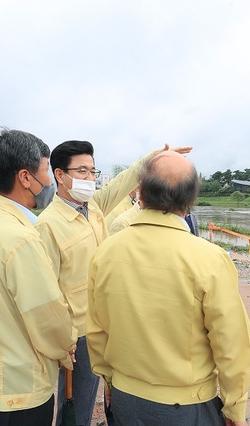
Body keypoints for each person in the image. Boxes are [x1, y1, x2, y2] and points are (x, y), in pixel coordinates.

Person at [87, 151, 250, 426]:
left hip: (125, 398)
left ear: (140, 193)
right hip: (186, 405)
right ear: (190, 200)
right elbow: (231, 344)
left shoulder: (105, 252)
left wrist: (108, 379)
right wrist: (236, 407)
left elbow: (96, 330)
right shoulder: (210, 259)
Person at [35, 140, 192, 426]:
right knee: (76, 402)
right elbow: (46, 288)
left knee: (110, 391)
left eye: (93, 171)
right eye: (81, 171)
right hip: (77, 332)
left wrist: (154, 157)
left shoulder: (93, 207)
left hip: (106, 320)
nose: (89, 178)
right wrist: (64, 335)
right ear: (60, 175)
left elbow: (124, 180)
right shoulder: (47, 224)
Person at [0, 127, 78, 426]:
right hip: (16, 394)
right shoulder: (20, 239)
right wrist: (67, 344)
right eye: (46, 171)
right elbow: (48, 318)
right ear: (25, 177)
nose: (50, 181)